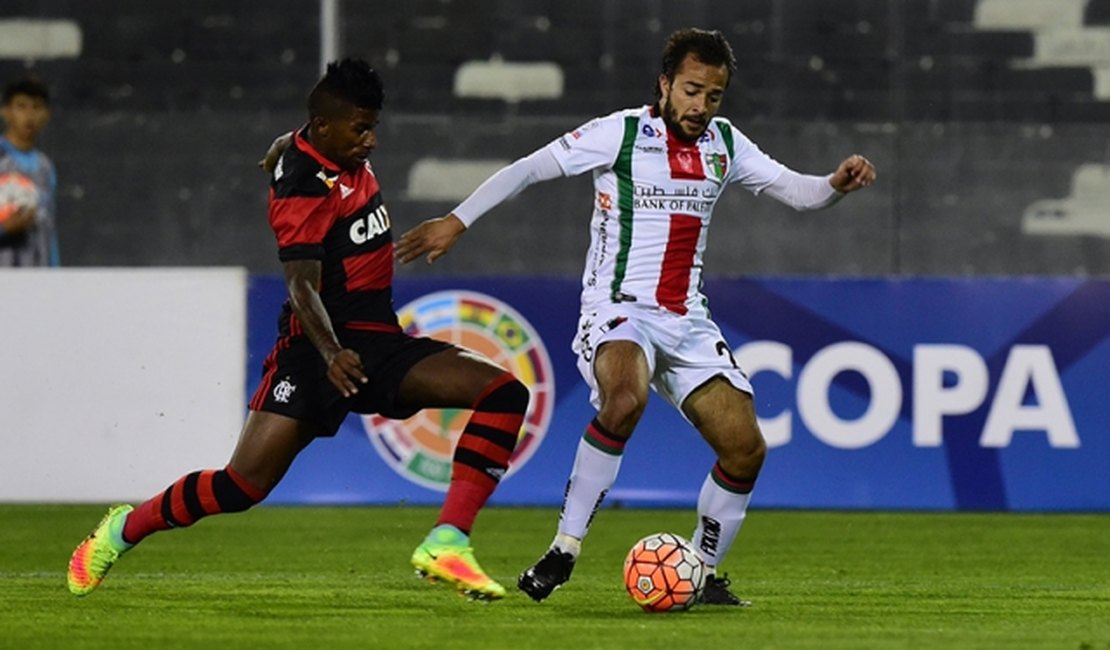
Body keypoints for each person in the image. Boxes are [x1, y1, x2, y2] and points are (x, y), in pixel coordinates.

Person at [396, 28, 876, 606]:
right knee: (625, 400)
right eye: (693, 91)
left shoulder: (726, 144)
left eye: (714, 96)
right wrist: (459, 219)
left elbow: (800, 194)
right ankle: (564, 549)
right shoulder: (619, 133)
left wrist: (834, 185)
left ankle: (701, 572)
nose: (702, 106)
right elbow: (528, 168)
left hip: (687, 321)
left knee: (745, 447)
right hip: (618, 310)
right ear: (666, 83)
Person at [67, 59, 530, 601]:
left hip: (376, 340)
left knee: (502, 392)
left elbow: (296, 139)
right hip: (315, 351)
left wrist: (283, 141)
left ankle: (447, 540)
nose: (371, 140)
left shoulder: (321, 143)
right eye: (361, 128)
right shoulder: (305, 188)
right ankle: (121, 530)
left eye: (373, 126)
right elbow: (301, 286)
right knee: (241, 485)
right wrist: (331, 352)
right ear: (327, 125)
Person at [0, 76, 59, 267]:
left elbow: (48, 229)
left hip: (38, 282)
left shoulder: (45, 167)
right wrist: (4, 228)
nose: (29, 115)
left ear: (46, 115)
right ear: (6, 112)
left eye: (36, 107)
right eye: (21, 106)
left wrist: (56, 273)